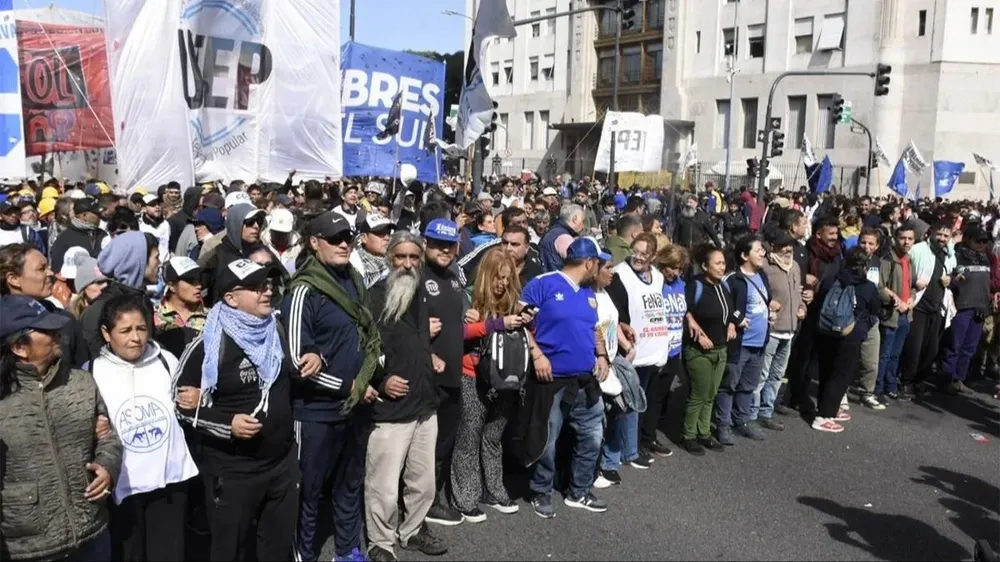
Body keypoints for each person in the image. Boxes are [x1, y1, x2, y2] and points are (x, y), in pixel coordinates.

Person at [174, 258, 298, 561]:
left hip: (281, 464)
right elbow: (179, 406)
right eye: (255, 288)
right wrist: (226, 424)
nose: (266, 292)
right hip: (233, 473)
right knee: (231, 551)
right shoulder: (207, 344)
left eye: (267, 285)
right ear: (230, 298)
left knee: (277, 548)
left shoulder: (276, 329)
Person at [283, 211, 380, 562]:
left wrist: (367, 380)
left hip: (355, 406)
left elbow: (370, 336)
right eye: (334, 238)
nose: (343, 244)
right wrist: (348, 386)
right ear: (314, 242)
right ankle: (303, 555)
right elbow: (296, 362)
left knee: (349, 485)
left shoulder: (355, 279)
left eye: (348, 238)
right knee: (308, 491)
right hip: (315, 412)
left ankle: (348, 550)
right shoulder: (302, 290)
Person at [0, 293, 123, 561]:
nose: (58, 334)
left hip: (91, 533)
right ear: (19, 347)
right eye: (46, 331)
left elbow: (108, 438)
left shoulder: (81, 382)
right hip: (27, 548)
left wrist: (107, 466)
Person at [91, 294, 199, 561]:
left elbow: (194, 405)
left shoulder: (166, 360)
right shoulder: (94, 371)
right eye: (125, 330)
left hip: (170, 482)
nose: (135, 338)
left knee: (170, 553)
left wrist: (197, 398)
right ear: (107, 333)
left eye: (141, 328)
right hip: (124, 487)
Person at [366, 230, 447, 561]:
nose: (408, 264)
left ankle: (412, 530)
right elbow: (364, 349)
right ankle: (380, 542)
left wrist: (430, 357)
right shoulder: (373, 296)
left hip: (425, 402)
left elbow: (413, 340)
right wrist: (381, 381)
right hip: (392, 406)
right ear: (390, 258)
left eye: (414, 257)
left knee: (423, 482)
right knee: (383, 486)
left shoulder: (420, 292)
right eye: (401, 257)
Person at [518, 237, 612, 518]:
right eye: (600, 262)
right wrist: (537, 355)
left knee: (592, 437)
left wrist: (602, 354)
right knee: (547, 440)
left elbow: (594, 328)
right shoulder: (543, 284)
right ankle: (541, 490)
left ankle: (579, 491)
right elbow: (518, 323)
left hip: (585, 379)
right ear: (589, 262)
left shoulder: (589, 292)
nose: (603, 267)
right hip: (552, 380)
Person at [451, 248, 531, 520]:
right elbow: (460, 333)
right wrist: (495, 323)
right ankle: (466, 497)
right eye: (498, 278)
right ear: (486, 275)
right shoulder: (467, 297)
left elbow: (528, 338)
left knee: (493, 436)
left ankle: (494, 490)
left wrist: (528, 322)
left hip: (506, 378)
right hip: (472, 374)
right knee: (468, 437)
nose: (502, 284)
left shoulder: (514, 301)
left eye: (507, 279)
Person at [606, 233, 671, 461]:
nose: (638, 257)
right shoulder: (619, 275)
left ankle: (634, 446)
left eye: (644, 253)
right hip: (632, 348)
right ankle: (628, 451)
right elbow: (616, 312)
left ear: (653, 256)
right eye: (635, 250)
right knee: (628, 402)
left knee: (642, 400)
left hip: (653, 348)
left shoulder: (658, 277)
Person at [420, 218, 468, 526]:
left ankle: (433, 497)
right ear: (425, 243)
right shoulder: (415, 274)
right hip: (426, 376)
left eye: (449, 245)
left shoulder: (454, 275)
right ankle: (420, 504)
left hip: (453, 375)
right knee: (422, 446)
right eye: (437, 244)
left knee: (443, 443)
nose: (443, 250)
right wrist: (420, 330)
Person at [811, 248, 880, 433]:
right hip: (850, 334)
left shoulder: (831, 280)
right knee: (841, 375)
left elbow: (819, 302)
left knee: (826, 371)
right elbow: (875, 309)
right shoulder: (868, 286)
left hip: (825, 331)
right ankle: (824, 416)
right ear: (865, 266)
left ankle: (827, 408)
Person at [680, 246, 735, 455]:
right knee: (699, 393)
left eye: (723, 263)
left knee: (711, 394)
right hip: (698, 350)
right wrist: (696, 329)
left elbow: (729, 311)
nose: (722, 267)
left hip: (721, 350)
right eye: (717, 263)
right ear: (705, 266)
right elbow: (683, 310)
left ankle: (704, 433)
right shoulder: (696, 286)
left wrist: (731, 324)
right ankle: (688, 435)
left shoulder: (724, 287)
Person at [715, 236, 770, 444]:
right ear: (744, 255)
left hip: (759, 342)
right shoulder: (733, 279)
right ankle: (723, 424)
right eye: (758, 250)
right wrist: (735, 318)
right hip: (740, 343)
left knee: (748, 385)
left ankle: (743, 420)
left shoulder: (762, 275)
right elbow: (722, 305)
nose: (762, 253)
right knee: (729, 385)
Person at [0, 242, 91, 367]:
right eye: (41, 269)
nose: (50, 273)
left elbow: (82, 367)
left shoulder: (65, 320)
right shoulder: (5, 325)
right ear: (14, 279)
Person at [80, 231, 160, 358]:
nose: (159, 263)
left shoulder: (142, 300)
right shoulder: (100, 309)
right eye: (156, 258)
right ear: (138, 261)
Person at [899, 222, 953, 399]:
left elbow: (953, 273)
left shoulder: (949, 254)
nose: (942, 239)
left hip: (937, 307)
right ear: (932, 233)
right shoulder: (918, 249)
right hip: (919, 305)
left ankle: (919, 381)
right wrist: (915, 282)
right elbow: (905, 271)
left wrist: (950, 279)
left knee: (931, 349)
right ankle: (906, 382)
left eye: (946, 236)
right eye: (940, 235)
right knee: (914, 347)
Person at [756, 231, 804, 429]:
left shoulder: (795, 267)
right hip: (772, 329)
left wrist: (802, 306)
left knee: (777, 375)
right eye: (783, 245)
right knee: (761, 375)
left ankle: (766, 412)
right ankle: (751, 413)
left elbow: (797, 293)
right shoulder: (765, 267)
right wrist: (768, 303)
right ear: (773, 246)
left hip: (790, 330)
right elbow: (758, 294)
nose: (788, 249)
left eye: (790, 246)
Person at [941, 225, 992, 394]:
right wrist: (955, 280)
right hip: (961, 307)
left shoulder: (986, 257)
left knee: (969, 347)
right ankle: (947, 378)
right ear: (968, 240)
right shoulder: (957, 256)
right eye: (978, 240)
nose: (982, 244)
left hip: (980, 307)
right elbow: (949, 278)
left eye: (985, 241)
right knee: (955, 345)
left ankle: (958, 379)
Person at [875, 225, 916, 401]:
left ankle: (891, 386)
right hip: (890, 314)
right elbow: (879, 286)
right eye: (903, 238)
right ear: (895, 238)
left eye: (910, 239)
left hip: (906, 314)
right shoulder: (887, 259)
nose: (906, 242)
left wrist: (911, 298)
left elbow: (912, 285)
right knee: (884, 354)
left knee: (896, 354)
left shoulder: (909, 259)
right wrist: (894, 300)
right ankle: (877, 389)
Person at [199, 203, 267, 303]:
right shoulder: (216, 256)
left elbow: (283, 285)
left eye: (259, 221)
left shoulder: (264, 253)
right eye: (250, 222)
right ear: (236, 224)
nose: (256, 226)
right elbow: (191, 286)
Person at [154, 257, 208, 358]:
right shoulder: (153, 316)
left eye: (199, 279)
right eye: (191, 281)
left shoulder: (212, 317)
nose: (198, 286)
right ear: (171, 286)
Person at [50, 197, 108, 271]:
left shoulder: (102, 234)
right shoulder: (65, 238)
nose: (100, 217)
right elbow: (57, 268)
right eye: (96, 213)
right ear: (84, 215)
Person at [349, 213, 395, 288]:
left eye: (388, 233)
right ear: (364, 238)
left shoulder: (394, 263)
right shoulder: (351, 264)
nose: (387, 238)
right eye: (380, 233)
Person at [538, 203, 585, 272]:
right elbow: (579, 266)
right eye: (583, 221)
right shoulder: (564, 238)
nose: (583, 226)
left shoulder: (553, 231)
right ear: (575, 219)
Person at [262, 208, 302, 275]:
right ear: (270, 230)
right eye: (276, 232)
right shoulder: (262, 246)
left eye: (284, 233)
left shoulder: (298, 249)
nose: (279, 235)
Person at [139, 193, 171, 262]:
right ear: (144, 208)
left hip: (165, 266)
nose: (157, 207)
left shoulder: (165, 224)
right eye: (152, 204)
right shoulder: (140, 226)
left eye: (158, 204)